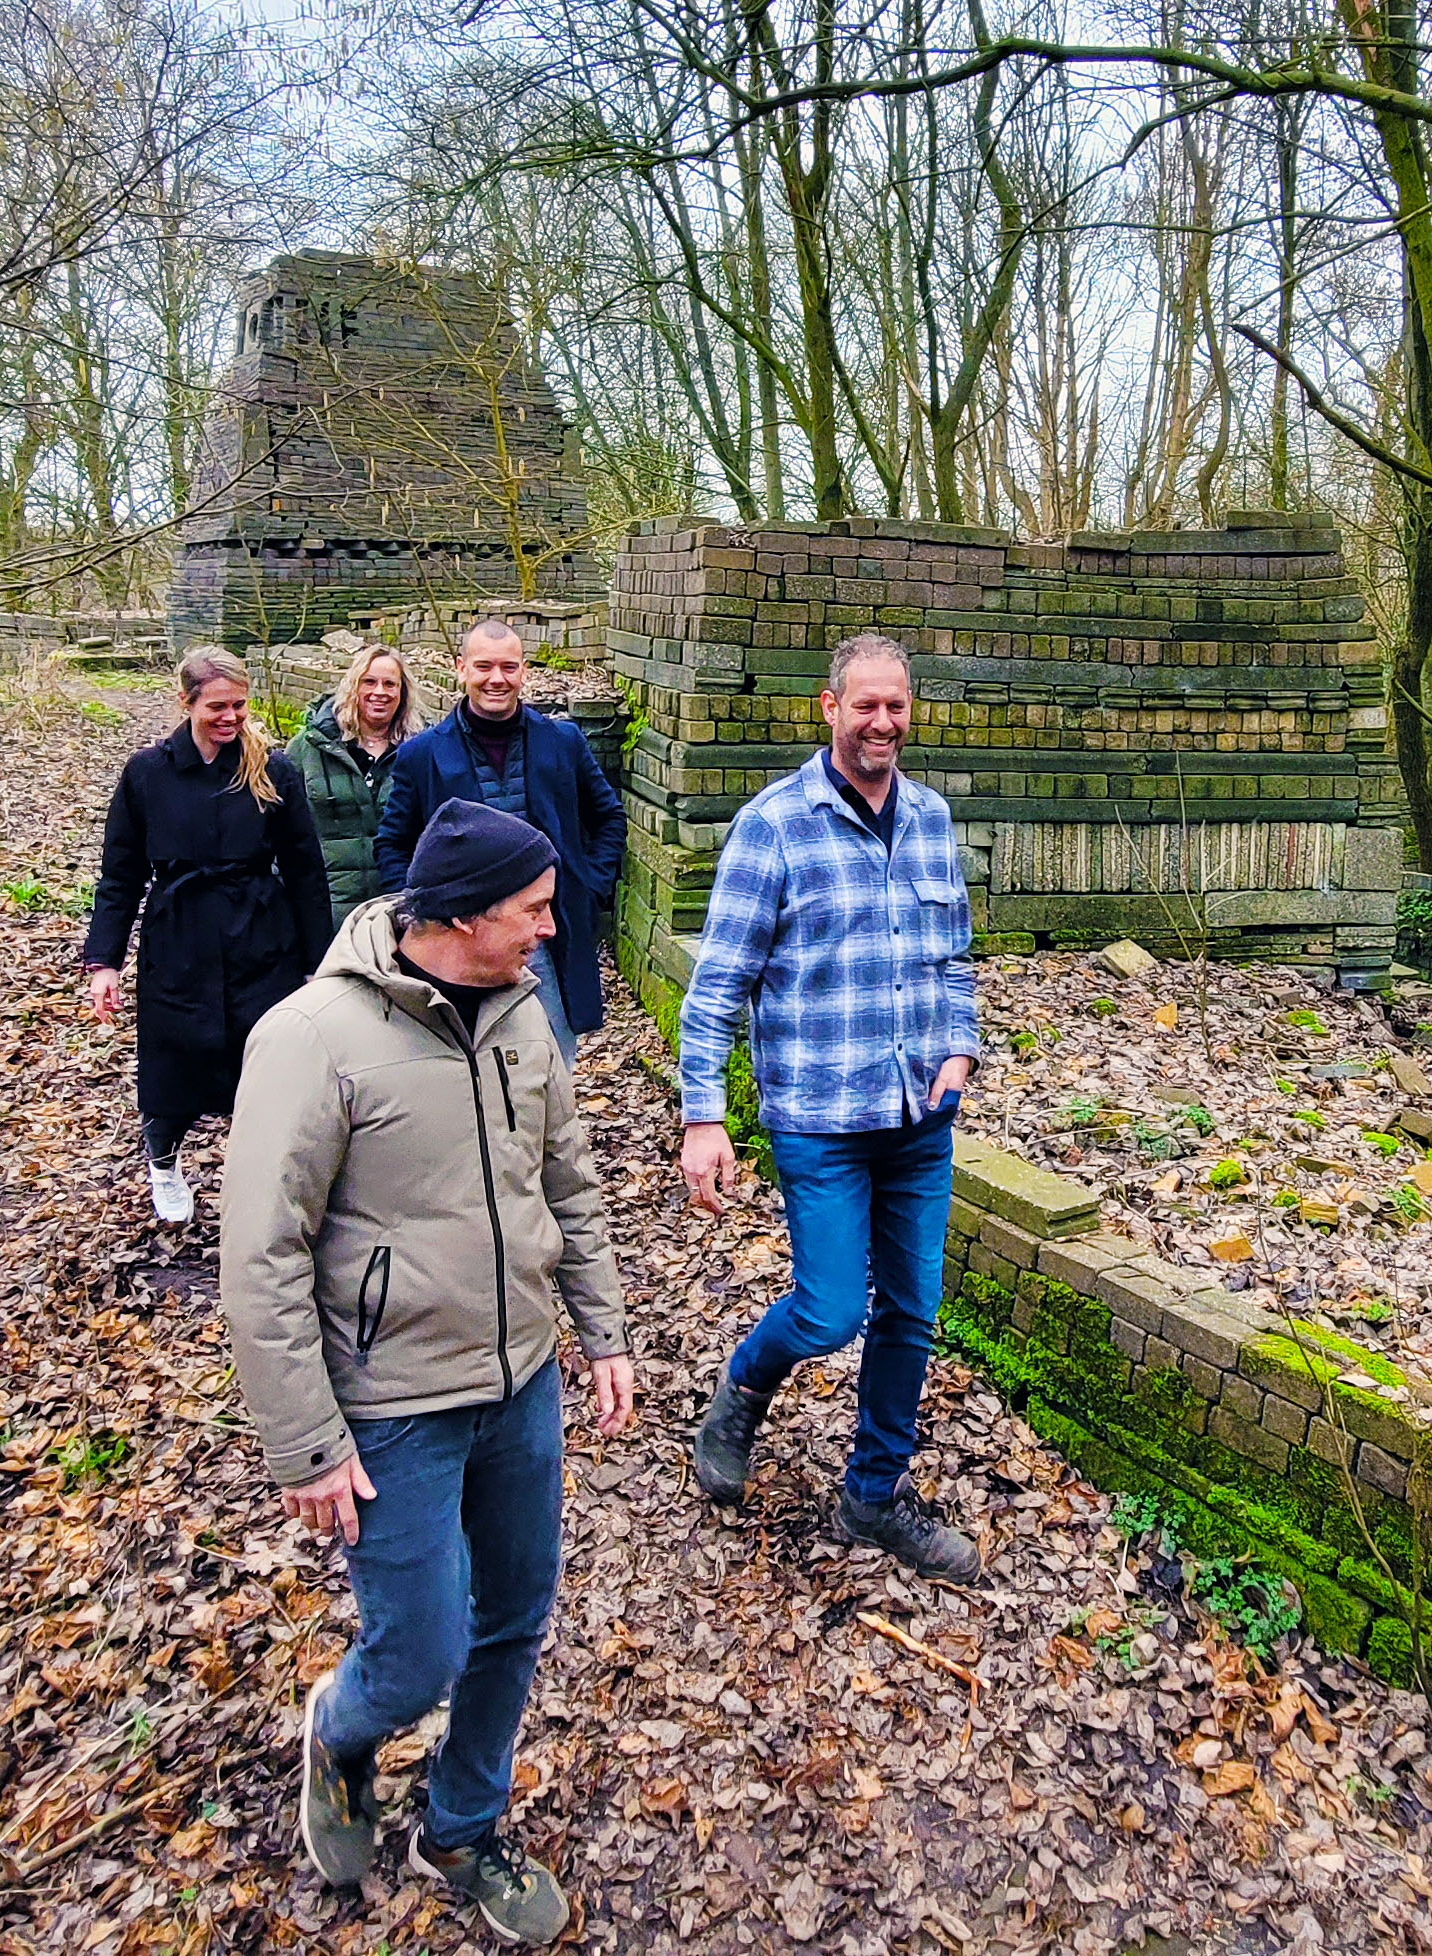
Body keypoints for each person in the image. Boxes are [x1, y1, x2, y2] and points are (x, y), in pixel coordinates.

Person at [221, 799, 636, 1944]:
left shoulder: (521, 1017)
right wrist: (304, 1442)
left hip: (520, 1380)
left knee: (514, 1618)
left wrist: (601, 1333)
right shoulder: (312, 1037)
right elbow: (260, 1253)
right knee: (418, 1652)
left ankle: (460, 1826)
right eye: (534, 910)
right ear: (457, 913)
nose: (552, 931)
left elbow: (571, 1184)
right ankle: (345, 1732)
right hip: (391, 1404)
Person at [675, 633, 985, 1581]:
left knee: (913, 1313)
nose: (883, 722)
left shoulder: (931, 819)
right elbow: (718, 983)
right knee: (829, 1312)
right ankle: (741, 1391)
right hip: (819, 1115)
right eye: (866, 706)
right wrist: (702, 1116)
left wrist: (964, 1044)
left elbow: (955, 958)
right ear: (829, 708)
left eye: (897, 706)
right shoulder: (773, 826)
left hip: (918, 1115)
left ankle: (873, 1497)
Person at [82, 647, 335, 1225]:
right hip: (180, 937)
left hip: (260, 935)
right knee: (174, 1061)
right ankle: (164, 1166)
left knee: (265, 1060)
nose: (231, 717)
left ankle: (264, 1175)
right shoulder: (148, 773)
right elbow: (120, 873)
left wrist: (319, 962)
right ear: (186, 702)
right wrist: (105, 961)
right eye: (217, 706)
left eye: (240, 705)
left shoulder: (273, 770)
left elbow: (304, 869)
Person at [373, 620, 625, 1062]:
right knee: (465, 1057)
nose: (496, 679)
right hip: (462, 939)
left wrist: (588, 887)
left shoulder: (563, 742)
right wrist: (423, 915)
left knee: (552, 1058)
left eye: (508, 667)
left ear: (523, 671)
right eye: (484, 666)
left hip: (546, 933)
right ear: (461, 668)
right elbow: (393, 844)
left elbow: (609, 818)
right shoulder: (422, 755)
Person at [285, 643, 419, 919]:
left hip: (399, 909)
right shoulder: (308, 749)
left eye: (389, 684)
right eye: (369, 682)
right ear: (353, 688)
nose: (379, 692)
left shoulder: (420, 752)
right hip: (327, 910)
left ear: (402, 692)